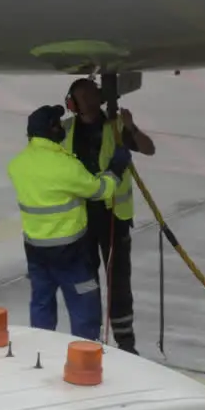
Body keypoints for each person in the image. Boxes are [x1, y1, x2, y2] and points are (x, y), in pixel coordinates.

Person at [7, 104, 133, 341]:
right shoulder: (66, 167)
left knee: (41, 301)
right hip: (69, 251)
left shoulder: (17, 164)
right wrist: (115, 167)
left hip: (35, 248)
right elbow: (100, 190)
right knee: (84, 302)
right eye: (57, 123)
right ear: (51, 130)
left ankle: (40, 348)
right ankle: (84, 352)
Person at [61, 77, 156, 354]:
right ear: (73, 104)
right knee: (86, 282)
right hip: (81, 220)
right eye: (83, 97)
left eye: (92, 95)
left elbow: (149, 148)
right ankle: (89, 338)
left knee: (118, 284)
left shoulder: (116, 128)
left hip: (113, 218)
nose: (89, 102)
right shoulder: (65, 131)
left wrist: (131, 128)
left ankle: (126, 343)